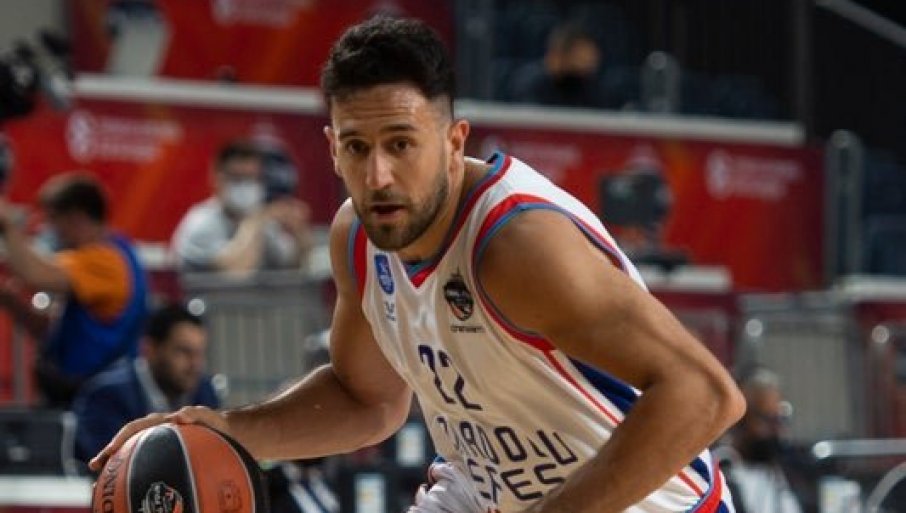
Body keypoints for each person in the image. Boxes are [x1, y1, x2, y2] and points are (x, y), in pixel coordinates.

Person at [92, 16, 745, 513]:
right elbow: (367, 399)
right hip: (484, 493)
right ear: (332, 148)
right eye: (357, 147)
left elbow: (705, 394)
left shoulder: (517, 244)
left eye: (401, 144)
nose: (378, 175)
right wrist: (230, 432)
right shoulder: (357, 237)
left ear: (454, 141)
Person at [0, 173, 148, 407]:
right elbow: (50, 331)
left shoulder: (105, 261)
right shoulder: (101, 257)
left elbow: (35, 274)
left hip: (99, 401)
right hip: (79, 394)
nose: (49, 230)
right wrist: (9, 299)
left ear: (76, 217)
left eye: (52, 220)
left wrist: (7, 226)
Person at [71, 303, 219, 462]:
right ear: (149, 349)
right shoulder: (107, 395)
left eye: (199, 353)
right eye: (184, 351)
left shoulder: (205, 391)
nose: (195, 364)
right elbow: (108, 465)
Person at [171, 140, 314, 275]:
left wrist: (299, 232)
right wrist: (256, 221)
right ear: (218, 180)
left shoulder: (263, 224)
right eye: (238, 178)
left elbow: (290, 267)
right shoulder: (201, 224)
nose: (246, 186)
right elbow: (237, 271)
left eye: (252, 178)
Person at [715, 368, 803, 513]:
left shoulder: (783, 470)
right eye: (767, 420)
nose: (776, 431)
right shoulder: (721, 471)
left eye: (779, 419)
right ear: (741, 419)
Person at [508, 21, 619, 109]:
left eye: (592, 58)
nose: (589, 63)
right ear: (559, 55)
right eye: (580, 57)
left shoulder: (592, 88)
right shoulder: (532, 83)